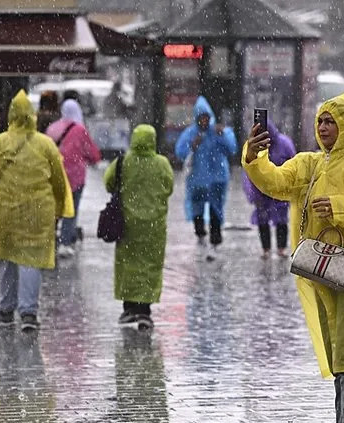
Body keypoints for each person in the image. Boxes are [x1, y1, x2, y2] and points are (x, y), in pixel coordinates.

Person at [243, 88, 344, 423]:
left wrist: (340, 209)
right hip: (325, 274)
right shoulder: (309, 164)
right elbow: (277, 182)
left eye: (332, 121)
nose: (325, 127)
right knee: (340, 362)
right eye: (321, 121)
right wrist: (255, 157)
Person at [0, 90, 74, 331]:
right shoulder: (45, 144)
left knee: (6, 258)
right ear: (32, 116)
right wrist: (60, 208)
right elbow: (58, 180)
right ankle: (28, 313)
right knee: (31, 261)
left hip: (4, 213)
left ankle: (6, 309)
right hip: (37, 213)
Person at [104, 124, 174, 330]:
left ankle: (129, 307)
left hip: (127, 224)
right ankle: (144, 311)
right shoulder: (162, 164)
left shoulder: (123, 161)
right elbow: (168, 187)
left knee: (128, 265)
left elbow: (109, 182)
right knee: (149, 266)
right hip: (154, 226)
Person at [175, 96, 237, 261]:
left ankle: (215, 241)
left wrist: (222, 135)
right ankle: (200, 234)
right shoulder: (190, 133)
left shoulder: (218, 131)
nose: (204, 121)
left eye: (206, 117)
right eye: (201, 118)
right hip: (197, 180)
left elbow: (232, 149)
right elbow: (180, 153)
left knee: (216, 210)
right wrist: (192, 146)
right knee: (197, 210)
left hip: (217, 178)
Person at [46, 99, 101, 258]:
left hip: (55, 176)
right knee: (71, 209)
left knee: (55, 209)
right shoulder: (80, 130)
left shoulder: (52, 128)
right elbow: (92, 153)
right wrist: (94, 159)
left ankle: (49, 241)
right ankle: (65, 243)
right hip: (75, 177)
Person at [242, 119, 296, 259]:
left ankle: (281, 248)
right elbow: (248, 172)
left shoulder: (284, 144)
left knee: (282, 220)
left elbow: (294, 164)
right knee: (263, 220)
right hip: (261, 192)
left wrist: (291, 189)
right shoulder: (254, 146)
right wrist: (253, 195)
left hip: (281, 190)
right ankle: (266, 249)